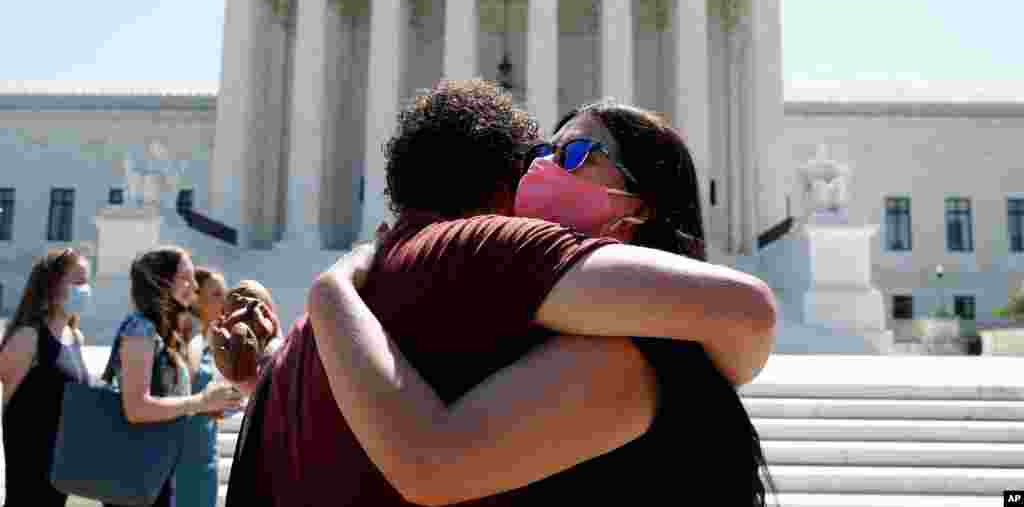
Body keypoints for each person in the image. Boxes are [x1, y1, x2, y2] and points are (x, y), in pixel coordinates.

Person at [226, 80, 776, 507]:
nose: (541, 167)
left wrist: (329, 294)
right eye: (541, 151)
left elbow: (746, 314)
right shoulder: (505, 306)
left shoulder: (614, 344)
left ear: (641, 206)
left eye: (575, 154)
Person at [103, 247, 245, 507]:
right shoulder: (140, 328)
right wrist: (200, 402)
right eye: (186, 278)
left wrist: (210, 405)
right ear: (162, 281)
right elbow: (136, 407)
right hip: (137, 470)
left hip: (159, 469)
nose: (193, 288)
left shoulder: (164, 331)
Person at [0, 248, 91, 507]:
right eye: (77, 281)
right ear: (52, 285)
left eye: (87, 281)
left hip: (62, 481)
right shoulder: (28, 337)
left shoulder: (75, 338)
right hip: (28, 489)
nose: (85, 289)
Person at [178, 267, 230, 507]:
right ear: (196, 298)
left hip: (204, 451)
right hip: (185, 456)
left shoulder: (207, 336)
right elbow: (182, 389)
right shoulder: (193, 338)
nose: (225, 300)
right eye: (216, 294)